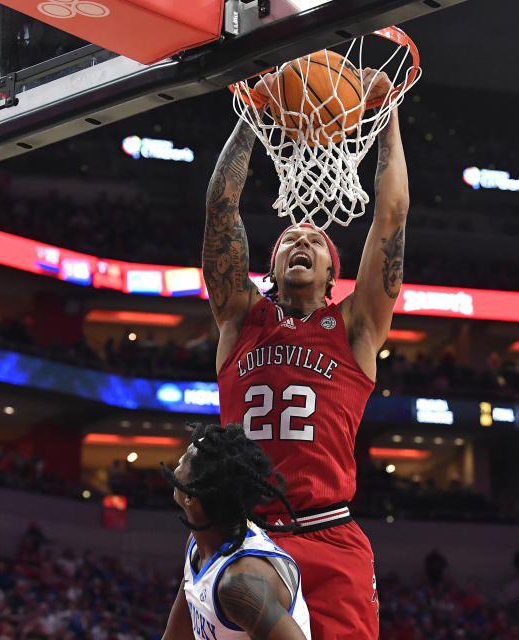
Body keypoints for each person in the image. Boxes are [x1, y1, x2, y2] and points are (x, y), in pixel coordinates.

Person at [203, 68, 407, 639]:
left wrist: (385, 114)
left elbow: (390, 218)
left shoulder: (355, 327)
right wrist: (253, 116)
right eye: (290, 236)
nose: (302, 240)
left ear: (330, 272)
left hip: (329, 533)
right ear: (271, 266)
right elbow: (222, 210)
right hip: (247, 533)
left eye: (316, 240)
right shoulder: (241, 317)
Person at [160, 423, 311, 640]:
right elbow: (177, 635)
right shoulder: (196, 544)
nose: (177, 465)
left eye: (183, 460)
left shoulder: (239, 583)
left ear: (190, 496)